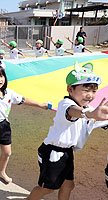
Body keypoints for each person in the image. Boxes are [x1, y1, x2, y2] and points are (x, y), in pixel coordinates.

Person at [27, 61, 108, 200]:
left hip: (66, 152)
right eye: (86, 90)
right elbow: (74, 112)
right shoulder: (66, 104)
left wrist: (97, 116)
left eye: (94, 91)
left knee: (68, 185)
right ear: (70, 89)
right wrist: (90, 114)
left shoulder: (88, 108)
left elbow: (93, 118)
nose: (90, 95)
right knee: (47, 188)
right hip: (53, 151)